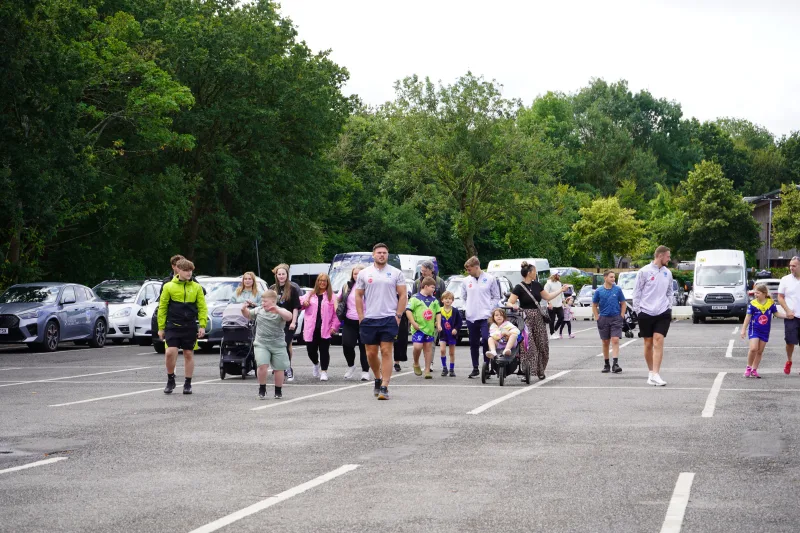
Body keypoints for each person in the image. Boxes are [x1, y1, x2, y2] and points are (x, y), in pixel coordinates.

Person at [355, 243, 408, 400]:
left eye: (384, 252)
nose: (381, 255)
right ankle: (377, 378)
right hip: (370, 318)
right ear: (373, 255)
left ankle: (385, 385)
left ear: (387, 255)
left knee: (386, 351)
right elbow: (358, 295)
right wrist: (360, 316)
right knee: (371, 353)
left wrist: (398, 315)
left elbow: (403, 295)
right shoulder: (364, 273)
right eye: (379, 252)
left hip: (388, 317)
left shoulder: (396, 273)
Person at [507, 261, 568, 380]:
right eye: (534, 271)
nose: (536, 273)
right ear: (529, 273)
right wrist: (512, 305)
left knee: (543, 344)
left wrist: (561, 290)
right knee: (529, 345)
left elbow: (548, 296)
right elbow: (510, 301)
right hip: (525, 317)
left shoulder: (537, 285)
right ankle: (528, 371)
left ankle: (540, 370)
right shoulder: (519, 287)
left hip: (538, 316)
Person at [157, 259, 207, 395]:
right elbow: (162, 308)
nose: (189, 273)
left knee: (188, 354)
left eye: (190, 270)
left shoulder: (196, 287)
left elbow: (202, 307)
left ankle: (188, 383)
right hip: (173, 325)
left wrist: (202, 325)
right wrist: (161, 328)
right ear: (178, 270)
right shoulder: (168, 286)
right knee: (170, 352)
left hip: (189, 325)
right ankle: (170, 379)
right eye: (186, 270)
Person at [633, 246, 674, 387]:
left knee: (659, 339)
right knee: (648, 343)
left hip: (663, 312)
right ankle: (651, 372)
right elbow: (637, 292)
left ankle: (656, 374)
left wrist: (669, 306)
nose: (669, 259)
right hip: (645, 312)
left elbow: (670, 292)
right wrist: (638, 310)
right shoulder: (644, 272)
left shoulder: (667, 273)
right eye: (668, 256)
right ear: (660, 256)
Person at [241, 290, 293, 399]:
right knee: (262, 366)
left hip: (278, 344)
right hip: (261, 343)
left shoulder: (280, 311)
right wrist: (243, 309)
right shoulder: (259, 310)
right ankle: (262, 388)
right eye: (262, 301)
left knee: (279, 368)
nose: (263, 303)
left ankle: (278, 390)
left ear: (273, 301)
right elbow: (248, 315)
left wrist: (278, 310)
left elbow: (289, 317)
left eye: (265, 301)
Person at [461, 256, 501, 379]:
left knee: (485, 340)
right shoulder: (466, 281)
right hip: (471, 316)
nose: (468, 272)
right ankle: (475, 368)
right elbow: (463, 297)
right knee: (473, 343)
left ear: (476, 267)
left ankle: (486, 366)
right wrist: (465, 308)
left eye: (469, 269)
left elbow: (496, 296)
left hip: (485, 316)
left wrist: (490, 309)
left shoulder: (490, 279)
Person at [741, 283, 786, 378]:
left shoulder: (770, 303)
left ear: (764, 293)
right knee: (753, 348)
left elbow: (776, 314)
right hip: (755, 329)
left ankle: (754, 369)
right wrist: (743, 329)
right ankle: (748, 368)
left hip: (765, 331)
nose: (755, 295)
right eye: (755, 293)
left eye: (757, 293)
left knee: (760, 351)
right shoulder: (753, 304)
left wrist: (788, 316)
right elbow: (748, 317)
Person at [300, 273, 339, 381]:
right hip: (311, 328)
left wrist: (334, 326)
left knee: (324, 350)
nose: (322, 282)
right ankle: (316, 363)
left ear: (327, 283)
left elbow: (336, 314)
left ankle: (324, 371)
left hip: (325, 328)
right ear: (317, 282)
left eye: (324, 281)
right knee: (310, 350)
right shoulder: (310, 294)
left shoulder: (332, 297)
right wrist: (304, 302)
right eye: (320, 280)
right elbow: (299, 303)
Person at [337, 265, 371, 381]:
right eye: (355, 273)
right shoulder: (347, 286)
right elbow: (337, 298)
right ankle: (351, 366)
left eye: (360, 273)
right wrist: (338, 310)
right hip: (349, 320)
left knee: (364, 347)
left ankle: (365, 371)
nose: (357, 275)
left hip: (365, 320)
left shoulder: (370, 286)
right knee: (347, 344)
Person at [270, 264, 302, 382]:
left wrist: (293, 322)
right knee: (276, 346)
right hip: (275, 323)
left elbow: (295, 307)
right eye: (279, 274)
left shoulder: (292, 289)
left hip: (289, 323)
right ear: (276, 275)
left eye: (283, 274)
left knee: (284, 344)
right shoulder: (272, 288)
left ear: (287, 275)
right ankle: (279, 367)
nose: (281, 276)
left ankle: (288, 368)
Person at [406, 277, 442, 379]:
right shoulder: (415, 298)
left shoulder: (434, 300)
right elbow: (408, 311)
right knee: (417, 347)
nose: (434, 290)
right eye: (432, 287)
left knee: (428, 348)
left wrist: (438, 324)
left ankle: (427, 370)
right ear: (425, 286)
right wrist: (413, 322)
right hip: (418, 328)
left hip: (429, 329)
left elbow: (438, 313)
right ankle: (416, 362)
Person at [592, 270, 627, 374]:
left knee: (615, 340)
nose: (613, 279)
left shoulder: (618, 290)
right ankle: (606, 364)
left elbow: (623, 303)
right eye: (611, 277)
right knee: (605, 342)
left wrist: (621, 316)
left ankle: (615, 364)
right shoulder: (599, 291)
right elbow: (594, 305)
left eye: (614, 277)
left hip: (616, 318)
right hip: (603, 318)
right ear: (605, 278)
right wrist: (597, 317)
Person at [778, 256, 800, 375]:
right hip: (791, 316)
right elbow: (780, 297)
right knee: (790, 342)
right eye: (790, 265)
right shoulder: (785, 279)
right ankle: (789, 360)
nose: (791, 268)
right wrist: (787, 310)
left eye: (794, 266)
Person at [438, 291, 461, 377]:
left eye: (449, 299)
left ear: (452, 300)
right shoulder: (439, 310)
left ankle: (451, 369)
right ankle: (444, 368)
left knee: (451, 352)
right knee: (442, 350)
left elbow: (459, 322)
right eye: (446, 299)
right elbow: (436, 320)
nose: (447, 300)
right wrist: (438, 325)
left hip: (452, 334)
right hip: (443, 334)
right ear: (442, 300)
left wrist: (455, 329)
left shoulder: (455, 311)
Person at [544, 273, 566, 340]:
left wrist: (563, 300)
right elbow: (545, 294)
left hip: (559, 304)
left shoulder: (559, 283)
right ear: (554, 275)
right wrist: (549, 302)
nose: (559, 276)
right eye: (558, 275)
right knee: (552, 320)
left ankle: (554, 330)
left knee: (561, 317)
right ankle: (551, 333)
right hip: (551, 304)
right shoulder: (548, 284)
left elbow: (561, 292)